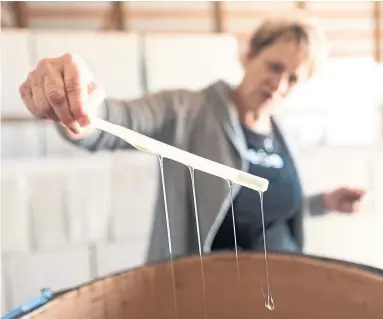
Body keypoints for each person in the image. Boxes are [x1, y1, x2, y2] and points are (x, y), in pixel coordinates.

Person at [19, 11, 365, 264]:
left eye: (293, 79)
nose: (279, 84)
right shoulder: (188, 110)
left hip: (281, 292)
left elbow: (265, 211)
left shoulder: (281, 133)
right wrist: (78, 109)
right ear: (248, 56)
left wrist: (323, 203)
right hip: (207, 296)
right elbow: (118, 121)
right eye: (275, 66)